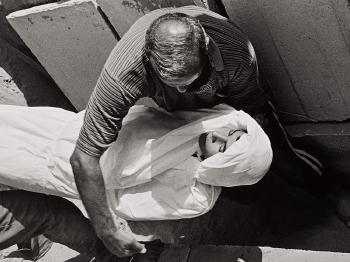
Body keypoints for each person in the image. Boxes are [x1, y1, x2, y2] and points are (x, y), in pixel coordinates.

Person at [70, 6, 324, 258]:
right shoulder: (123, 74)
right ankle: (245, 204)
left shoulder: (234, 51)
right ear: (148, 62)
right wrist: (106, 228)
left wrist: (252, 151)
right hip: (176, 116)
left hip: (228, 104)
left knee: (279, 158)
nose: (182, 91)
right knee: (219, 175)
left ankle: (321, 192)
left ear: (209, 51)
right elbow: (83, 157)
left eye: (191, 82)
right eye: (172, 85)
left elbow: (255, 110)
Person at [0, 103, 272, 261]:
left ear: (224, 168)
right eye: (233, 133)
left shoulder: (193, 193)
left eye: (226, 151)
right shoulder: (198, 121)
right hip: (55, 126)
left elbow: (129, 202)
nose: (221, 137)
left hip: (55, 164)